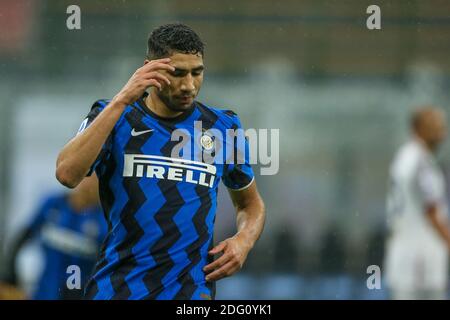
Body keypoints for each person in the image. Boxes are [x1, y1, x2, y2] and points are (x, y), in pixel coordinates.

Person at [55, 23, 266, 300]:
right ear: (149, 69)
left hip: (190, 295)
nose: (188, 85)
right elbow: (67, 174)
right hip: (119, 290)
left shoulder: (223, 127)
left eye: (197, 72)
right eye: (177, 73)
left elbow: (250, 204)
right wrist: (121, 100)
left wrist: (244, 240)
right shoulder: (115, 117)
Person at [1, 175, 107, 299]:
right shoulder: (53, 204)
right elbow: (23, 237)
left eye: (98, 179)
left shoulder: (104, 221)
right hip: (43, 293)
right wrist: (9, 276)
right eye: (89, 176)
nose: (90, 184)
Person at [385, 106, 450, 299]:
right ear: (417, 128)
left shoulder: (405, 156)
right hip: (421, 258)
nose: (442, 132)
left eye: (442, 127)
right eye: (435, 126)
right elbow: (430, 209)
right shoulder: (420, 161)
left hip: (405, 251)